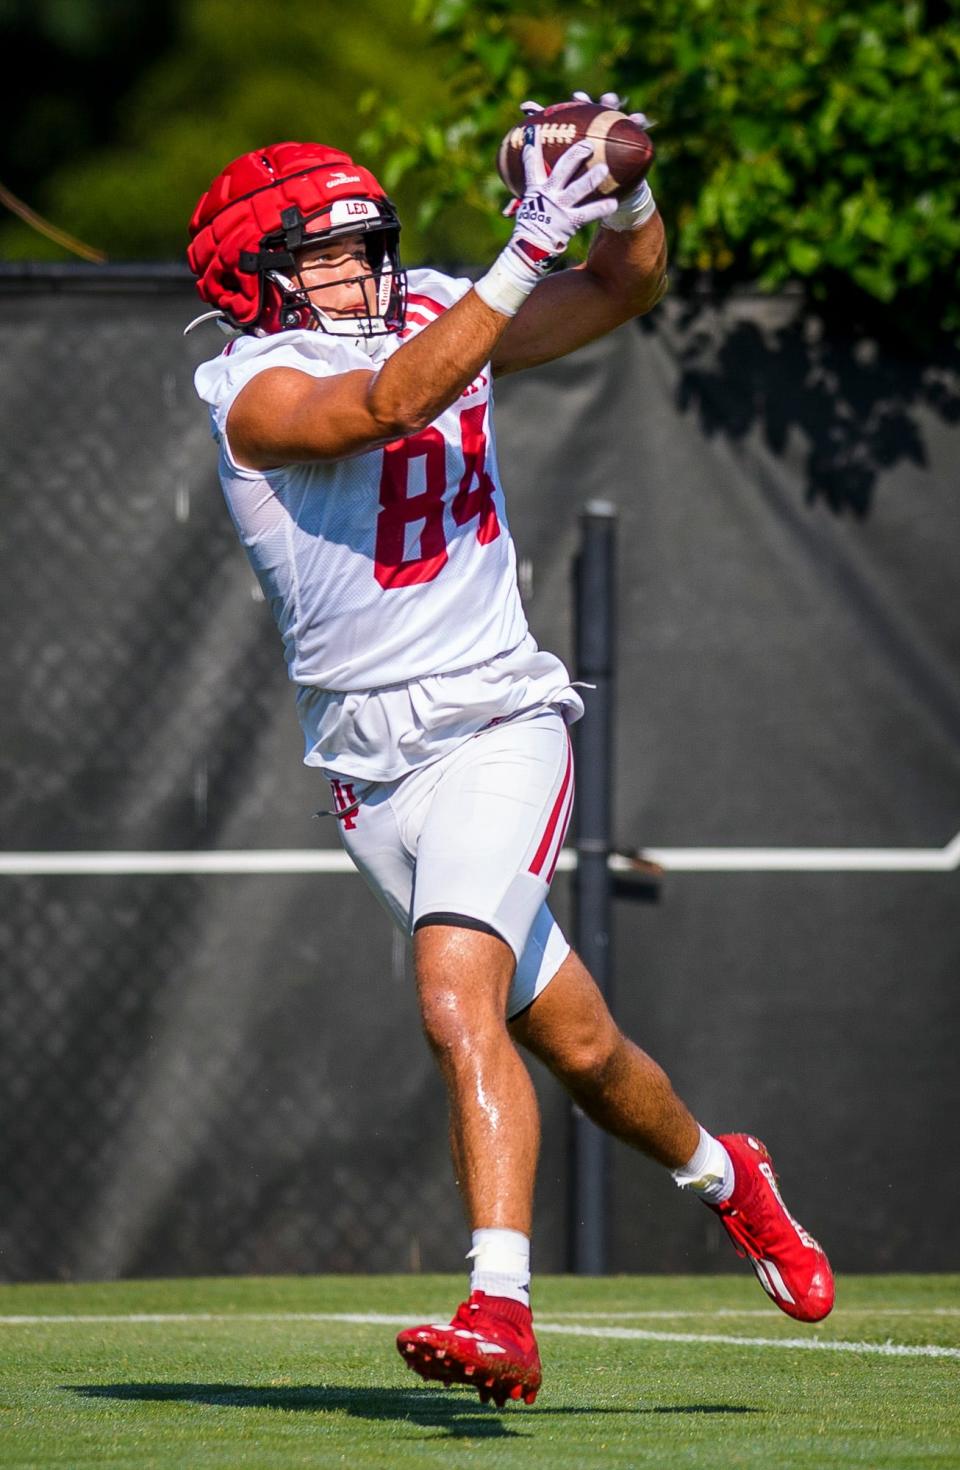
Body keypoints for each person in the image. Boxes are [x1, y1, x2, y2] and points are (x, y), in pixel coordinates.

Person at [186, 93, 833, 1409]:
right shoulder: (248, 387)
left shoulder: (435, 299)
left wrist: (622, 192)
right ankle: (730, 1175)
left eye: (370, 245)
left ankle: (499, 1305)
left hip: (493, 717)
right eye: (325, 254)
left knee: (451, 996)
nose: (360, 273)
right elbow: (381, 405)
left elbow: (621, 290)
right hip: (371, 771)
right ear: (251, 278)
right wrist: (526, 242)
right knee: (585, 1052)